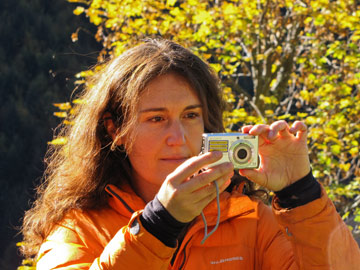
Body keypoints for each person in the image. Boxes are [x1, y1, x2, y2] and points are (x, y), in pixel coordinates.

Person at [21, 38, 360, 269]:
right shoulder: (78, 230)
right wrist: (159, 225)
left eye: (190, 115)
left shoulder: (252, 221)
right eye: (156, 119)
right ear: (115, 131)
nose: (178, 137)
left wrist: (300, 193)